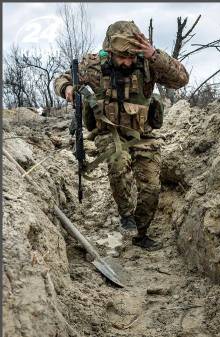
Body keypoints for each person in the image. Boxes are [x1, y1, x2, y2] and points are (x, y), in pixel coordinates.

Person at [54, 20, 189, 250]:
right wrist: (66, 88)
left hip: (142, 133)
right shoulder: (93, 65)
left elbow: (181, 79)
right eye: (121, 57)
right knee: (119, 161)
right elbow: (61, 79)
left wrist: (155, 55)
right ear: (110, 51)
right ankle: (126, 215)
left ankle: (141, 231)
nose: (127, 62)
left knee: (151, 187)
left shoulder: (148, 62)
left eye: (131, 57)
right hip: (108, 131)